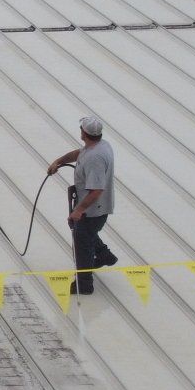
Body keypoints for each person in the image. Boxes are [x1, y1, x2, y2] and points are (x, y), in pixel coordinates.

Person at [48, 115, 118, 294]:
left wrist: (79, 210)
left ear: (84, 133)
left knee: (82, 243)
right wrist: (59, 161)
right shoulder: (100, 145)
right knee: (86, 234)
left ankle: (84, 285)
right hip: (93, 208)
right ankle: (105, 255)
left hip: (93, 210)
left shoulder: (95, 158)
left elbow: (96, 190)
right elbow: (79, 153)